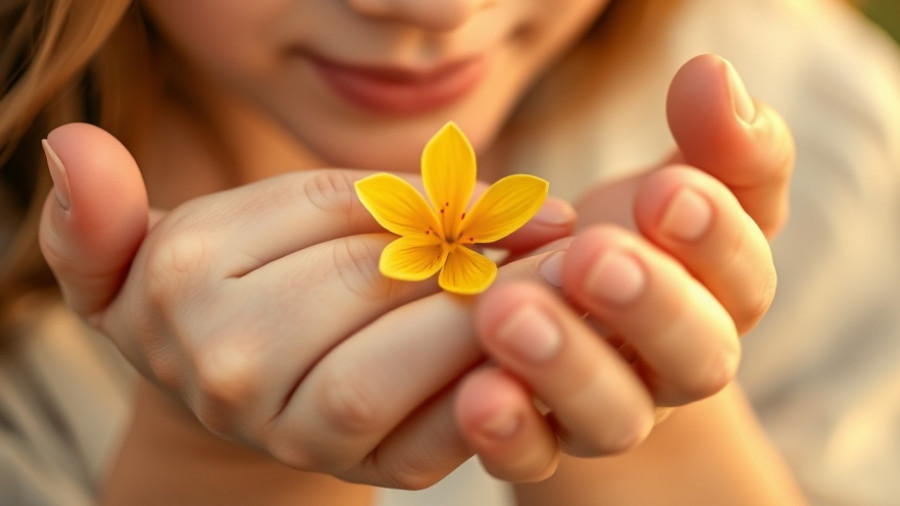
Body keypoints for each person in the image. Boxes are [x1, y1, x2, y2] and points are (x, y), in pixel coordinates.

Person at [0, 0, 896, 505]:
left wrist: (657, 413)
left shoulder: (823, 130)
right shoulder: (27, 367)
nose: (436, 10)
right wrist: (218, 461)